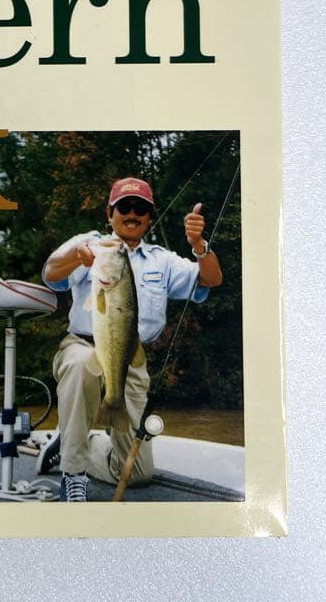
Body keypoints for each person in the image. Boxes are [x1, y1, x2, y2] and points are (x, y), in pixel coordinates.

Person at [41, 176, 223, 502]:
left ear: (149, 218)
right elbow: (50, 274)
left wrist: (199, 246)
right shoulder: (89, 244)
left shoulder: (162, 260)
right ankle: (73, 472)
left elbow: (211, 279)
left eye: (141, 208)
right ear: (109, 213)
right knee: (82, 365)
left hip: (129, 354)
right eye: (124, 206)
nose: (132, 214)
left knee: (137, 474)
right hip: (82, 344)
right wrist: (77, 257)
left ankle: (76, 444)